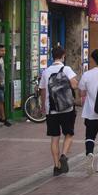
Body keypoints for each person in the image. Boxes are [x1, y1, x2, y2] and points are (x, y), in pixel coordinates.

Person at [39, 47, 79, 176]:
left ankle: (56, 166)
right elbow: (74, 85)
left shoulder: (46, 72)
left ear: (52, 56)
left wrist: (43, 106)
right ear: (63, 56)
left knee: (54, 138)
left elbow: (43, 90)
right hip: (67, 108)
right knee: (69, 134)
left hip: (52, 110)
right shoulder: (66, 69)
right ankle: (64, 155)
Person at [0, 45, 12, 127]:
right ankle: (3, 118)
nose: (3, 52)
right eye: (1, 51)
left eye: (4, 51)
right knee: (0, 101)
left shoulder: (1, 59)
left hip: (2, 82)